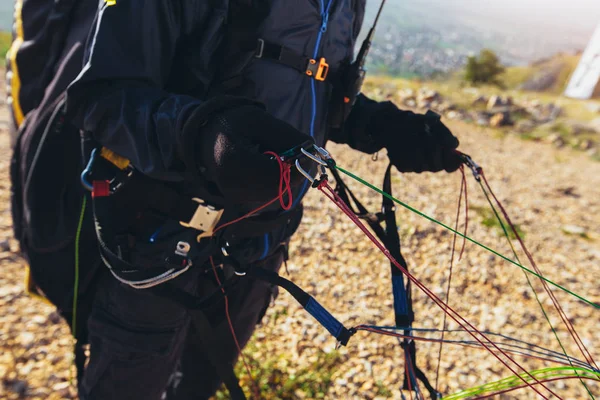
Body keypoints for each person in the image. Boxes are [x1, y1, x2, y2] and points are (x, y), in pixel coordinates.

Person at [11, 0, 463, 399]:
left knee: (197, 388)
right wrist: (203, 135)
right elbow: (99, 99)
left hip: (259, 253)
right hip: (160, 249)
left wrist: (378, 124)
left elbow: (304, 87)